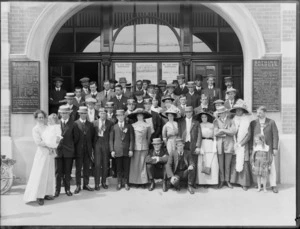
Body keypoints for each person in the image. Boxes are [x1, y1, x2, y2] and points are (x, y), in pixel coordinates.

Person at [24, 110, 56, 205]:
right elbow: (38, 142)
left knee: (49, 172)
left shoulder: (47, 127)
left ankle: (47, 193)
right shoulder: (35, 129)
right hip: (42, 153)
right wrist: (48, 146)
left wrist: (52, 146)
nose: (41, 119)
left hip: (49, 153)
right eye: (39, 117)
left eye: (42, 117)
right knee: (41, 173)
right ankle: (39, 195)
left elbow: (52, 138)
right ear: (36, 118)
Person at [249, 106, 279, 193]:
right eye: (257, 113)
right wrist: (252, 148)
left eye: (260, 113)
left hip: (268, 148)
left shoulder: (271, 122)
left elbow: (275, 135)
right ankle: (261, 184)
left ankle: (273, 185)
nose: (258, 114)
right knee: (260, 166)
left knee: (271, 166)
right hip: (258, 148)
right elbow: (251, 136)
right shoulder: (253, 123)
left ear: (265, 113)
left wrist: (275, 148)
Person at [55, 105, 79, 197]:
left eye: (66, 113)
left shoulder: (73, 124)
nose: (64, 115)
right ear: (60, 113)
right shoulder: (56, 123)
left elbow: (76, 138)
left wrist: (70, 146)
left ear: (69, 113)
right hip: (58, 152)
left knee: (67, 172)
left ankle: (67, 189)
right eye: (62, 113)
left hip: (68, 151)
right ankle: (57, 190)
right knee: (58, 172)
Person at [229, 102, 253, 191]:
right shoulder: (233, 120)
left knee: (244, 162)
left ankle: (244, 183)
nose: (238, 112)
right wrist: (235, 142)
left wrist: (241, 144)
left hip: (243, 144)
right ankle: (235, 181)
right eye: (237, 110)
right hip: (234, 143)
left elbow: (249, 135)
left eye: (240, 110)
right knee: (235, 161)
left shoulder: (247, 120)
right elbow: (231, 131)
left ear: (243, 111)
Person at [110, 110, 134, 191]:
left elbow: (131, 139)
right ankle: (119, 182)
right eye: (118, 116)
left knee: (126, 168)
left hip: (126, 150)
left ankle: (126, 183)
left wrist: (131, 149)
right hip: (117, 150)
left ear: (124, 116)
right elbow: (111, 140)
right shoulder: (114, 127)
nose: (120, 117)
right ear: (116, 117)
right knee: (119, 168)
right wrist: (112, 150)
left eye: (122, 115)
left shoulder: (129, 126)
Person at [178, 106, 202, 187]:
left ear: (192, 112)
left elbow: (199, 134)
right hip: (184, 144)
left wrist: (198, 146)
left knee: (193, 163)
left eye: (190, 112)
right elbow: (179, 134)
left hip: (193, 144)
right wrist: (179, 145)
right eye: (187, 112)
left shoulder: (196, 122)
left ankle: (192, 183)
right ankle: (183, 182)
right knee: (183, 162)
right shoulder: (181, 122)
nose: (188, 113)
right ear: (185, 113)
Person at [194, 111, 219, 188]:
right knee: (203, 163)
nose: (204, 118)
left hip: (210, 143)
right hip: (202, 144)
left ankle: (213, 182)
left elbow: (215, 136)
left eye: (205, 117)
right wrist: (199, 147)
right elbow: (198, 136)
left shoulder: (211, 125)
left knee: (212, 163)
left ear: (207, 117)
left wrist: (215, 146)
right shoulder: (199, 125)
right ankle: (203, 182)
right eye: (202, 117)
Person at [128, 109, 152, 188]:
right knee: (135, 165)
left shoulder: (147, 125)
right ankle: (135, 181)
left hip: (144, 147)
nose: (139, 117)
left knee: (142, 165)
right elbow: (131, 137)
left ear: (143, 116)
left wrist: (147, 146)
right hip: (135, 147)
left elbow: (148, 137)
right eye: (138, 115)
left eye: (141, 115)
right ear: (136, 116)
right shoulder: (133, 125)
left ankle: (143, 182)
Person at [214, 106, 236, 189]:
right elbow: (215, 133)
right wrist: (226, 131)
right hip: (219, 145)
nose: (221, 114)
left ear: (225, 113)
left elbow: (233, 131)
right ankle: (222, 180)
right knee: (221, 164)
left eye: (222, 113)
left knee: (227, 164)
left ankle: (227, 180)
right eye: (219, 113)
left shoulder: (231, 120)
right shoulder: (216, 121)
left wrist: (222, 130)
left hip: (229, 144)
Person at [73, 106, 95, 194]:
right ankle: (78, 185)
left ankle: (86, 184)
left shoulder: (90, 124)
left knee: (86, 168)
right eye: (81, 113)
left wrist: (92, 149)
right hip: (78, 150)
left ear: (87, 114)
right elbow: (73, 138)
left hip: (88, 150)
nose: (83, 115)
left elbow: (92, 137)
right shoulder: (75, 123)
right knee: (78, 169)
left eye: (85, 113)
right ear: (79, 114)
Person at [93, 107, 114, 190]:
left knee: (105, 164)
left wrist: (110, 147)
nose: (103, 115)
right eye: (101, 113)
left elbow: (111, 136)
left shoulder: (110, 123)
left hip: (105, 144)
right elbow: (92, 136)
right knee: (97, 164)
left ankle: (104, 182)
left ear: (106, 114)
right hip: (97, 143)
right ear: (99, 114)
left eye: (104, 113)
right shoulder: (94, 123)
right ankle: (97, 183)